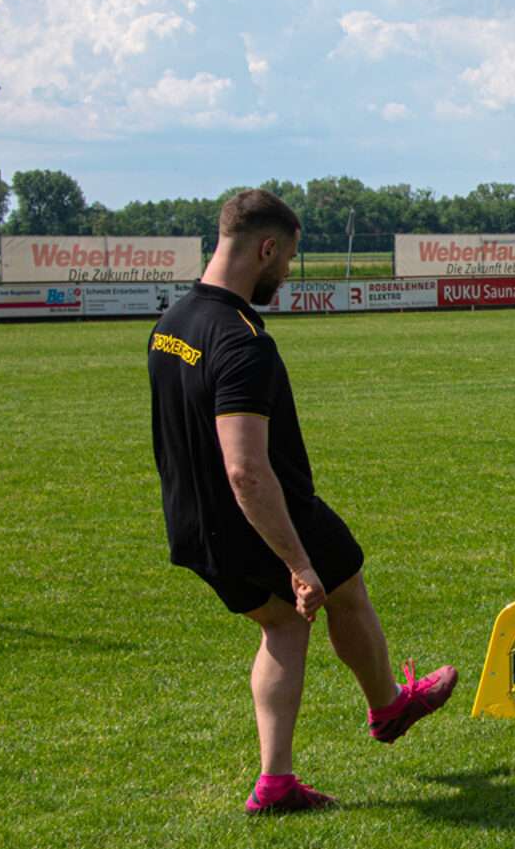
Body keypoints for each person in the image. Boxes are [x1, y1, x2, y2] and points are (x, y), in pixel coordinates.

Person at [148, 188, 456, 814]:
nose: (287, 273)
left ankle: (277, 782)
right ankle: (389, 705)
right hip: (263, 515)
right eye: (287, 258)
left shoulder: (172, 323)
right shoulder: (242, 341)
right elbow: (246, 470)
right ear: (265, 248)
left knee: (284, 623)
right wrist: (297, 561)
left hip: (192, 523)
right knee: (335, 584)